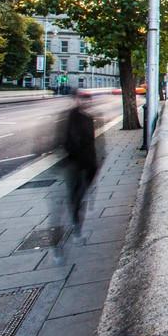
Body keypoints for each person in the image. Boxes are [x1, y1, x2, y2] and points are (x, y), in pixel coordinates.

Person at [61, 89, 98, 235]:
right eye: (82, 99)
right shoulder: (70, 117)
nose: (85, 102)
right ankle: (76, 213)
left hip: (88, 159)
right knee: (76, 189)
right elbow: (65, 139)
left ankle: (78, 206)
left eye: (87, 99)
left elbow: (93, 141)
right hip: (75, 159)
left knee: (83, 187)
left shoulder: (89, 117)